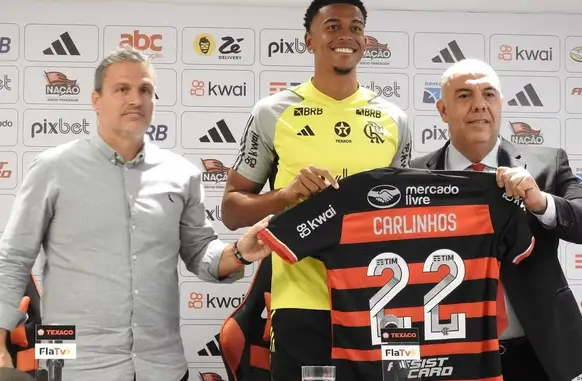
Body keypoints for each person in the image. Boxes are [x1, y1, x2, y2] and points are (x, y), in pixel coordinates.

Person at [0, 45, 273, 381]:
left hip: (162, 368)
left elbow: (199, 249)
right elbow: (13, 259)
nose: (135, 99)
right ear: (96, 100)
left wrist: (239, 253)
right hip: (73, 368)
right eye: (122, 89)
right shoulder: (52, 169)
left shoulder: (181, 173)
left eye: (145, 90)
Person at [221, 0, 411, 380]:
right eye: (333, 26)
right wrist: (286, 195)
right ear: (309, 40)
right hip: (301, 304)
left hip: (378, 303)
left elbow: (403, 218)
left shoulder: (394, 119)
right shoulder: (273, 111)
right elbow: (231, 210)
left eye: (356, 28)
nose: (346, 36)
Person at [411, 58, 582, 381]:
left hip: (538, 353)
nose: (479, 105)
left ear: (500, 104)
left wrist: (540, 202)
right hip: (448, 355)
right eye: (464, 96)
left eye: (489, 95)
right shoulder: (414, 177)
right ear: (443, 110)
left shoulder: (547, 163)